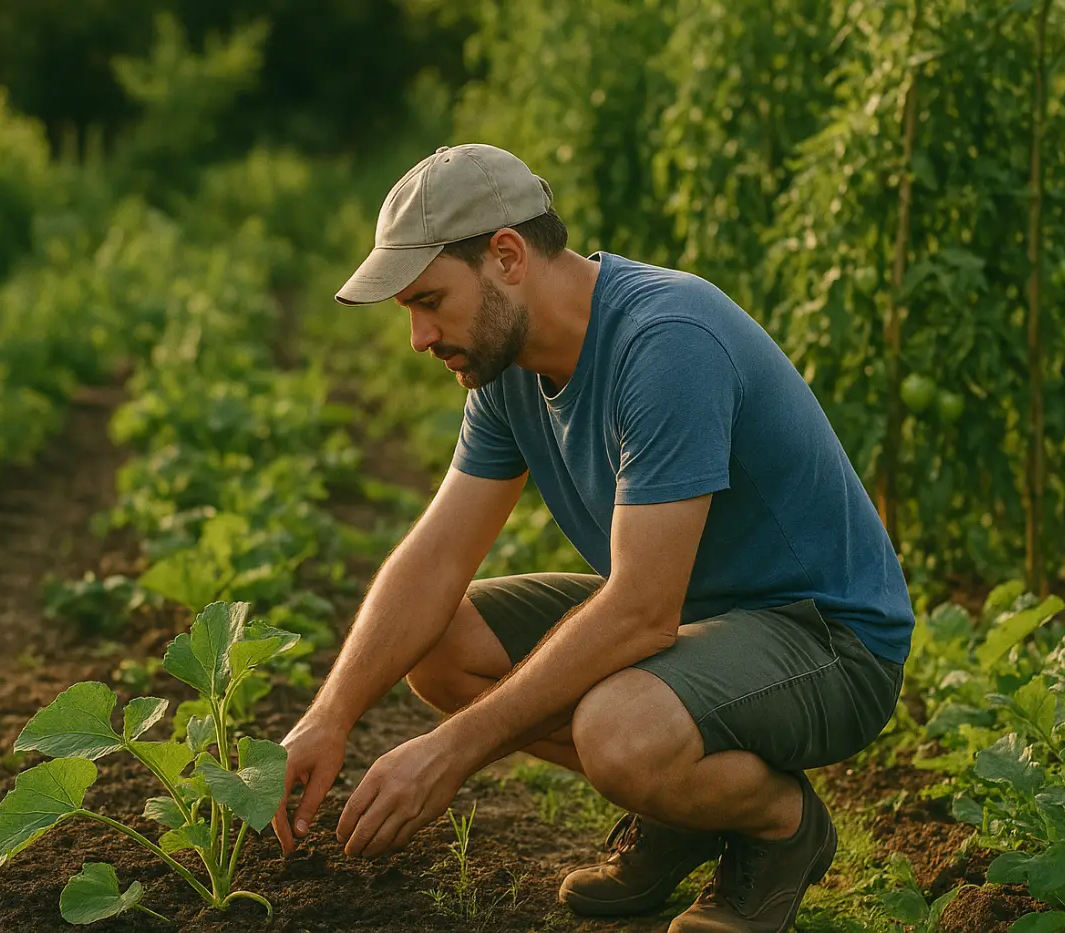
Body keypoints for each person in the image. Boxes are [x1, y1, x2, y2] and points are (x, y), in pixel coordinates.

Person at [269, 143, 913, 932]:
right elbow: (436, 555)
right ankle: (682, 810)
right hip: (697, 622)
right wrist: (329, 715)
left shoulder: (666, 341)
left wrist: (451, 750)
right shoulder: (505, 367)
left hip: (826, 639)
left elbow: (642, 610)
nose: (418, 335)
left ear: (507, 255)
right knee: (436, 645)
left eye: (430, 299)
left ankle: (777, 825)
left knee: (620, 728)